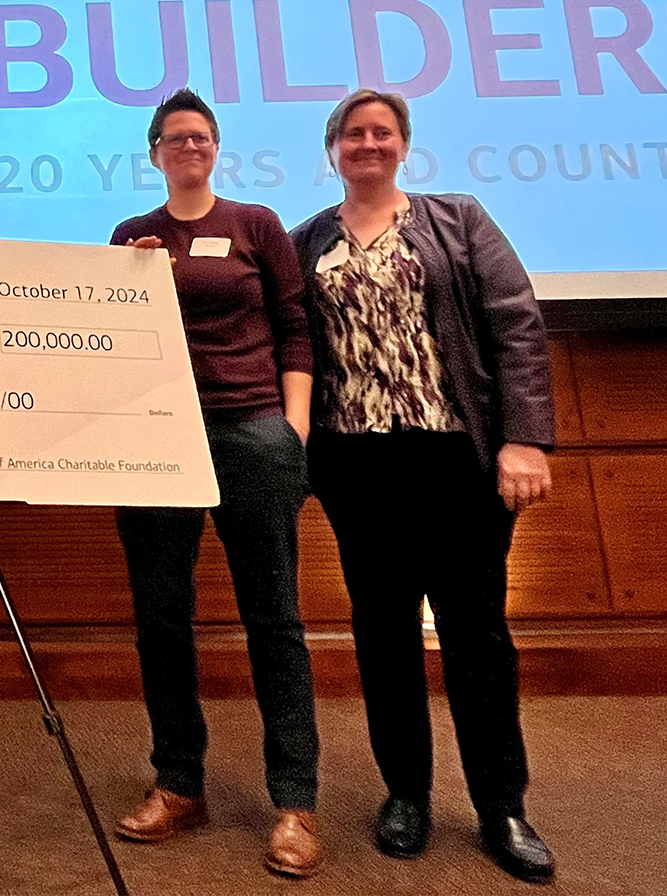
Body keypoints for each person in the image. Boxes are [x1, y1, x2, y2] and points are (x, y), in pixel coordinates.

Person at [291, 89, 556, 883]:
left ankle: (502, 805)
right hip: (355, 465)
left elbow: (516, 323)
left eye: (382, 132)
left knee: (476, 634)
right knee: (382, 631)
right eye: (353, 133)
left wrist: (525, 437)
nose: (367, 143)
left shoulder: (458, 220)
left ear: (403, 144)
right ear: (333, 148)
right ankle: (405, 792)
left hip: (457, 460)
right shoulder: (308, 240)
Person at [109, 89, 323, 878]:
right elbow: (116, 340)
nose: (188, 146)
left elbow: (296, 326)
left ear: (215, 146)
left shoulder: (256, 224)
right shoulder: (131, 236)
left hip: (254, 430)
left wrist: (292, 429)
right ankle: (178, 782)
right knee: (162, 617)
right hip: (156, 437)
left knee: (275, 617)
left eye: (200, 136)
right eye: (174, 137)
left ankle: (295, 801)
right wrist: (138, 284)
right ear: (155, 151)